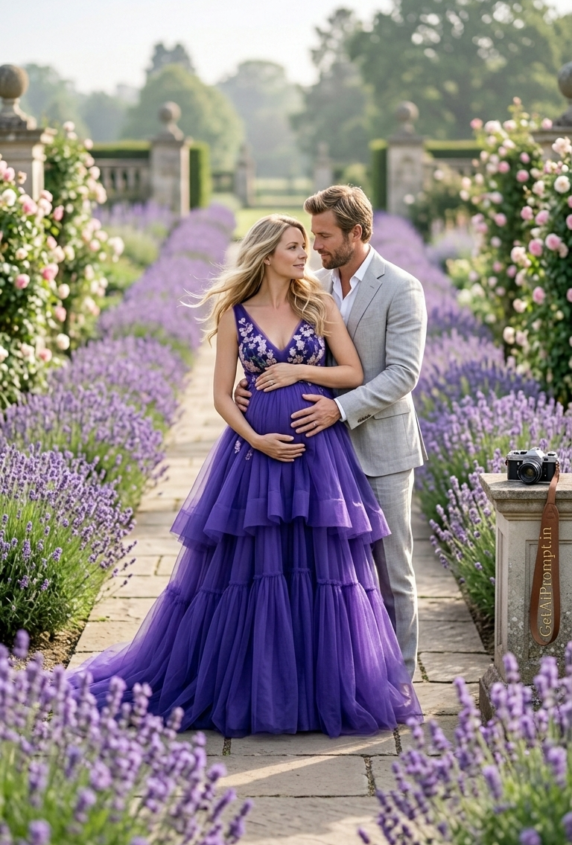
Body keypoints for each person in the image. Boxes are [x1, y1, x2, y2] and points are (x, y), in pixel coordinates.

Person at [69, 214, 421, 737]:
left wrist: (300, 371)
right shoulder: (234, 312)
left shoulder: (317, 302)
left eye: (308, 244)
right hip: (254, 457)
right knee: (251, 570)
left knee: (324, 570)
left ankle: (329, 687)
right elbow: (220, 394)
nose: (305, 254)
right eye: (294, 246)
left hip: (319, 454)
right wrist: (255, 437)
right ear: (266, 254)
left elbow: (353, 373)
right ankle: (253, 688)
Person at [235, 188, 427, 679]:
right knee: (335, 574)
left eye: (323, 236)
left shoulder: (401, 287)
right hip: (320, 456)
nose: (314, 245)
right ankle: (347, 675)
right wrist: (249, 386)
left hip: (379, 448)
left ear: (356, 234)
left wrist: (338, 410)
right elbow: (284, 347)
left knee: (390, 573)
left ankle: (399, 681)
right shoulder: (311, 284)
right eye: (310, 237)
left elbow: (402, 374)